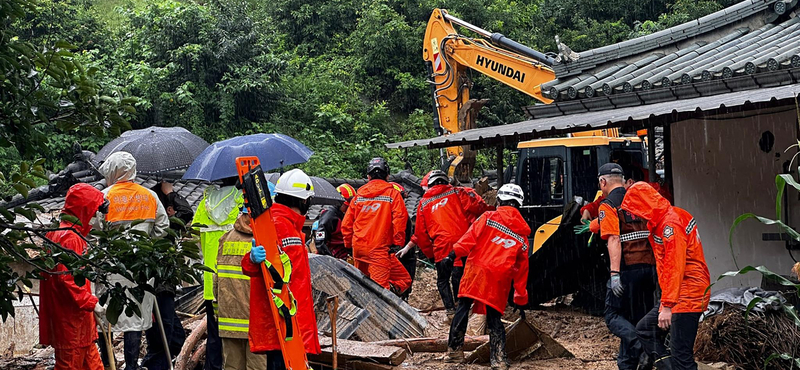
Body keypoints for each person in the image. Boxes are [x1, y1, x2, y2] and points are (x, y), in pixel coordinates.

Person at [621, 182, 711, 370]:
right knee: (645, 330)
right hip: (680, 291)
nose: (634, 215)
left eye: (635, 209)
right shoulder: (666, 218)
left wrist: (668, 305)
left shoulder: (669, 224)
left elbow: (675, 266)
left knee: (682, 357)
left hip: (687, 294)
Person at [445, 184, 530, 370]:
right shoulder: (522, 237)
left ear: (499, 200)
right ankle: (498, 359)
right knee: (494, 318)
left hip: (476, 270)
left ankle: (454, 352)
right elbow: (521, 270)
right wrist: (520, 297)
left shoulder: (488, 217)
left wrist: (452, 255)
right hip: (499, 278)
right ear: (519, 205)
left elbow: (469, 239)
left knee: (463, 308)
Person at [242, 169, 321, 370]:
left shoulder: (287, 225)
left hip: (288, 320)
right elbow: (256, 267)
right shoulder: (277, 225)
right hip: (282, 322)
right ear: (304, 202)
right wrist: (251, 259)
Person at [94, 151, 166, 370]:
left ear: (113, 171)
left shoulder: (104, 196)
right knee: (134, 315)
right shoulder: (150, 196)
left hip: (111, 264)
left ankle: (108, 365)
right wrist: (147, 240)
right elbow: (163, 228)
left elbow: (93, 228)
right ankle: (132, 366)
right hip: (141, 266)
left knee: (105, 314)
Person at [398, 170, 491, 317]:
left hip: (441, 248)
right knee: (460, 276)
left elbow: (421, 234)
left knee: (442, 280)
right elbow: (479, 208)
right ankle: (463, 307)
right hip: (463, 245)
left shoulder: (424, 203)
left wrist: (431, 255)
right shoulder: (459, 193)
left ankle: (450, 310)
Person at [593, 164, 658, 370]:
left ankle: (643, 349)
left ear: (603, 182)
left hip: (628, 270)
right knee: (635, 318)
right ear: (623, 180)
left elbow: (614, 239)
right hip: (650, 269)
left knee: (613, 317)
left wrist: (614, 274)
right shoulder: (638, 199)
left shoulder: (608, 205)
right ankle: (630, 363)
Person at [39, 183, 107, 370]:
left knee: (93, 365)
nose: (94, 217)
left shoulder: (59, 233)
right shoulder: (69, 237)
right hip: (71, 322)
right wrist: (92, 303)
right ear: (84, 209)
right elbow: (68, 279)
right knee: (70, 365)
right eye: (93, 211)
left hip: (77, 323)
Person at [193, 179, 244, 370]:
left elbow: (195, 236)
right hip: (236, 284)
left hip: (210, 284)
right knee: (236, 339)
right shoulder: (241, 202)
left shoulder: (204, 203)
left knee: (214, 336)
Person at [341, 158, 412, 294]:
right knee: (380, 293)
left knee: (361, 286)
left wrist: (349, 244)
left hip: (359, 248)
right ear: (387, 176)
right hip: (378, 249)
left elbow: (346, 224)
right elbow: (400, 219)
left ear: (368, 177)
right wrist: (397, 243)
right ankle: (379, 314)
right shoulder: (392, 194)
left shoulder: (359, 195)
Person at [142, 181, 191, 370]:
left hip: (164, 285)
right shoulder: (161, 228)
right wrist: (170, 192)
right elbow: (186, 212)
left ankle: (156, 363)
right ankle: (152, 365)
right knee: (161, 334)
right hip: (160, 286)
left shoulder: (158, 226)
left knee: (174, 335)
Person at [215, 207, 267, 370]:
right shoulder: (263, 241)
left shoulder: (226, 237)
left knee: (232, 366)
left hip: (229, 319)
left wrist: (219, 310)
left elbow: (217, 278)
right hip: (257, 322)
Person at [314, 184, 356, 260]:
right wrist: (331, 260)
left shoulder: (344, 215)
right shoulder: (329, 216)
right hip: (332, 257)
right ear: (339, 203)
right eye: (347, 206)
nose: (348, 209)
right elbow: (320, 242)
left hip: (344, 256)